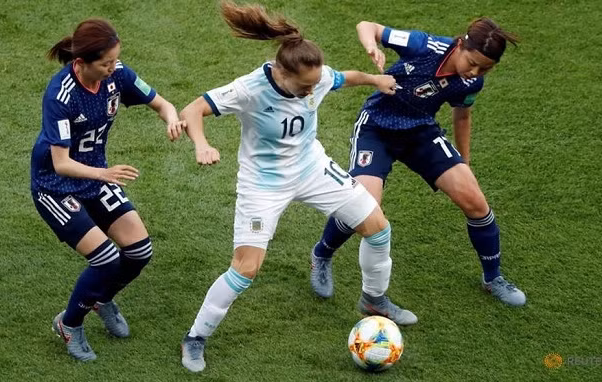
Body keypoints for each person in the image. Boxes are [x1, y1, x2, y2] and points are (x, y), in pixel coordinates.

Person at [178, 1, 418, 373]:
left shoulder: (316, 77)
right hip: (263, 185)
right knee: (245, 269)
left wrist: (375, 80)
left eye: (314, 84)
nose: (311, 92)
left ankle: (374, 300)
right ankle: (195, 337)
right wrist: (201, 143)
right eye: (304, 86)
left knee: (378, 228)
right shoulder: (250, 89)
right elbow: (193, 109)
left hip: (312, 168)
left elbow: (344, 77)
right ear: (280, 72)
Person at [310, 18, 526, 306]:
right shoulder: (424, 46)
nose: (474, 72)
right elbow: (366, 26)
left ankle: (493, 278)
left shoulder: (472, 81)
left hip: (420, 132)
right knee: (363, 206)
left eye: (484, 68)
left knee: (475, 201)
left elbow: (462, 115)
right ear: (460, 45)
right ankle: (321, 255)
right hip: (377, 128)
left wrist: (464, 162)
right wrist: (372, 47)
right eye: (472, 62)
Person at [31, 18, 184, 361]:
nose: (114, 68)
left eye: (116, 60)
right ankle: (69, 325)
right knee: (105, 258)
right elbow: (60, 163)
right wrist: (105, 172)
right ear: (81, 63)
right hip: (55, 186)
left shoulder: (117, 75)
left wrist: (172, 118)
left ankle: (99, 299)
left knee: (140, 251)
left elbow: (161, 103)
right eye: (106, 63)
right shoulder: (60, 94)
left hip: (96, 177)